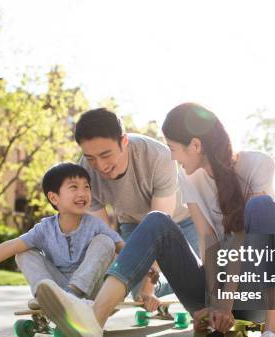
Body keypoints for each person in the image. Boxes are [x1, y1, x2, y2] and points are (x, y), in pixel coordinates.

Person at [36, 103, 275, 337]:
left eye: (173, 149)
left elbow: (241, 239)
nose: (173, 157)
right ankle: (94, 320)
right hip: (218, 289)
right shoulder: (188, 178)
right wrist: (207, 304)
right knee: (156, 220)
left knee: (261, 208)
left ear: (195, 145)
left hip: (255, 291)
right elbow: (208, 245)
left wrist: (225, 303)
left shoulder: (258, 164)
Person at [75, 108, 199, 309]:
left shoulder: (159, 157)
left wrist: (148, 286)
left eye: (106, 154)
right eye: (91, 158)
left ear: (124, 141)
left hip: (182, 221)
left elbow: (159, 227)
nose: (100, 166)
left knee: (197, 279)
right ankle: (162, 284)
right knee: (135, 290)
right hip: (132, 222)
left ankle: (173, 282)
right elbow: (106, 237)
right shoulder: (84, 173)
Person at [0, 162, 124, 302]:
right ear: (54, 198)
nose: (83, 193)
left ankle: (75, 294)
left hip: (93, 289)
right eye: (74, 187)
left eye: (86, 187)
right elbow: (11, 245)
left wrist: (147, 269)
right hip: (59, 289)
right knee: (23, 252)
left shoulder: (95, 225)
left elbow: (123, 248)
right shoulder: (44, 229)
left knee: (106, 241)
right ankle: (46, 295)